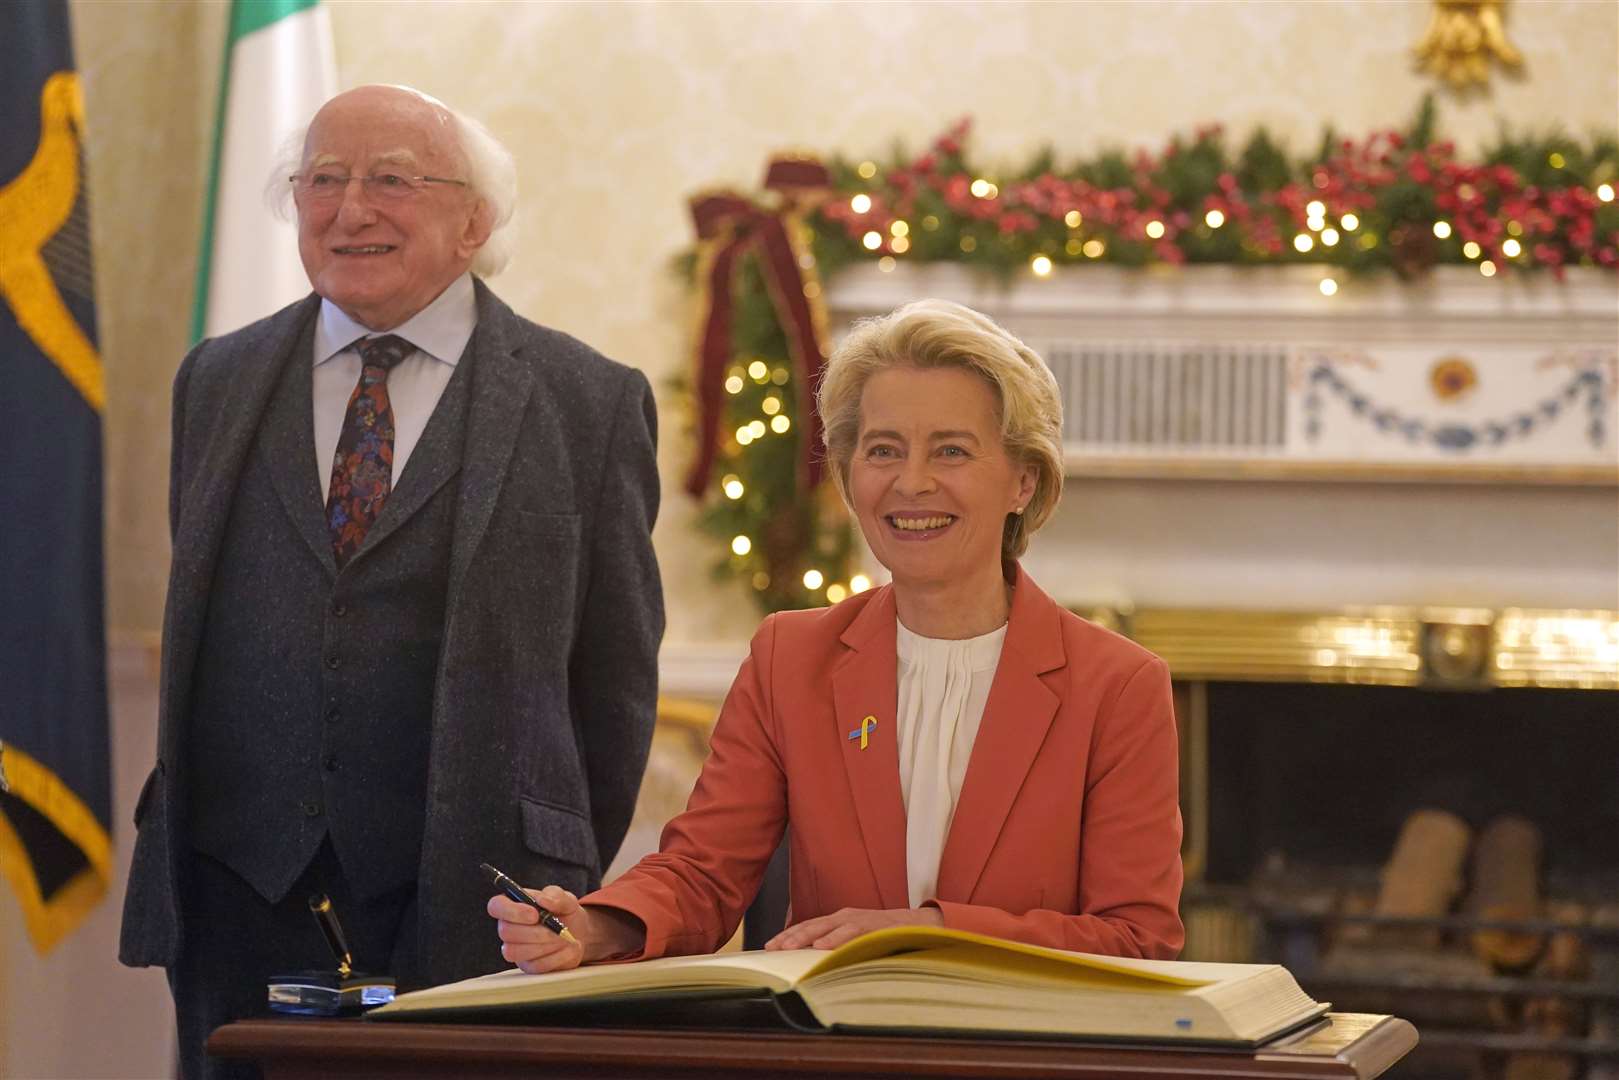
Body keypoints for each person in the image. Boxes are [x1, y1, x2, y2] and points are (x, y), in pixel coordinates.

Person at [119, 85, 663, 1079]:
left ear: (473, 223)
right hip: (236, 900)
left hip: (476, 906)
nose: (349, 208)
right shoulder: (217, 379)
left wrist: (556, 871)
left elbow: (614, 682)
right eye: (322, 180)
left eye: (390, 181)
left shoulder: (586, 400)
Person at [491, 299, 1182, 973]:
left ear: (1022, 482)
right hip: (833, 1046)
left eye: (951, 451)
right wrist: (597, 926)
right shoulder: (789, 657)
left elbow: (1137, 937)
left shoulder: (1116, 685)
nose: (911, 482)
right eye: (883, 450)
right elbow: (702, 873)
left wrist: (933, 930)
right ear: (851, 475)